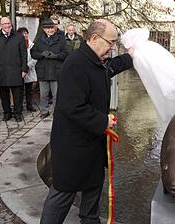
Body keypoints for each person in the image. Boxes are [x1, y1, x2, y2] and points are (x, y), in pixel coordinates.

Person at [40, 19, 133, 224]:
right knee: (63, 193)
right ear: (94, 38)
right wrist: (103, 122)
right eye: (110, 42)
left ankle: (90, 220)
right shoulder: (75, 64)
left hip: (91, 144)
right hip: (73, 145)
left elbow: (109, 68)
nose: (113, 47)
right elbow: (73, 107)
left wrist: (132, 57)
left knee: (92, 190)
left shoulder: (94, 60)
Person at [0, 17, 28, 122]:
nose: (7, 26)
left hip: (16, 70)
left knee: (18, 95)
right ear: (0, 25)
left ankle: (18, 113)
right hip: (1, 71)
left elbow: (24, 54)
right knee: (4, 94)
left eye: (8, 23)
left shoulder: (19, 36)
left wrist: (24, 69)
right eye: (4, 24)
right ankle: (7, 113)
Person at [31, 19, 68, 119]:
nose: (50, 30)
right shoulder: (39, 40)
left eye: (52, 28)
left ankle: (56, 112)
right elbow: (33, 53)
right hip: (43, 71)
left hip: (56, 70)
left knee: (56, 95)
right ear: (44, 29)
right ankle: (44, 111)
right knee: (44, 94)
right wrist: (41, 54)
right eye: (48, 28)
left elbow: (65, 53)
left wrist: (56, 56)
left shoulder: (61, 39)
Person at [17, 27, 38, 112]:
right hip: (20, 71)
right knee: (20, 90)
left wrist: (28, 66)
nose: (25, 35)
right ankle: (19, 106)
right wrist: (22, 67)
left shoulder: (32, 44)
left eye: (26, 33)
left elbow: (35, 57)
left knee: (29, 90)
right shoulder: (17, 44)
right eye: (23, 33)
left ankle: (30, 105)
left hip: (29, 69)